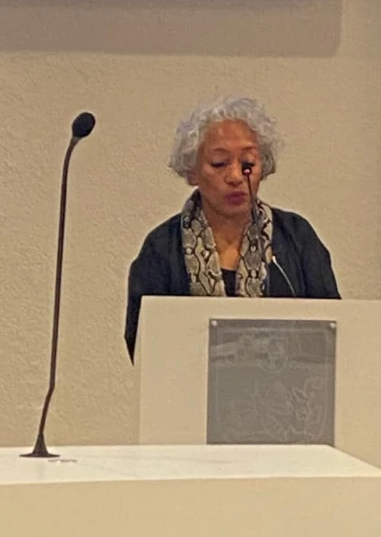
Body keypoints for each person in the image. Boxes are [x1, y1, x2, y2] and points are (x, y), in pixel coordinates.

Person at [125, 95, 340, 360]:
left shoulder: (297, 237)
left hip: (289, 383)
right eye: (219, 164)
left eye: (248, 164)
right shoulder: (162, 247)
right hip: (188, 384)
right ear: (192, 172)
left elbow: (332, 331)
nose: (236, 176)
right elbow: (143, 343)